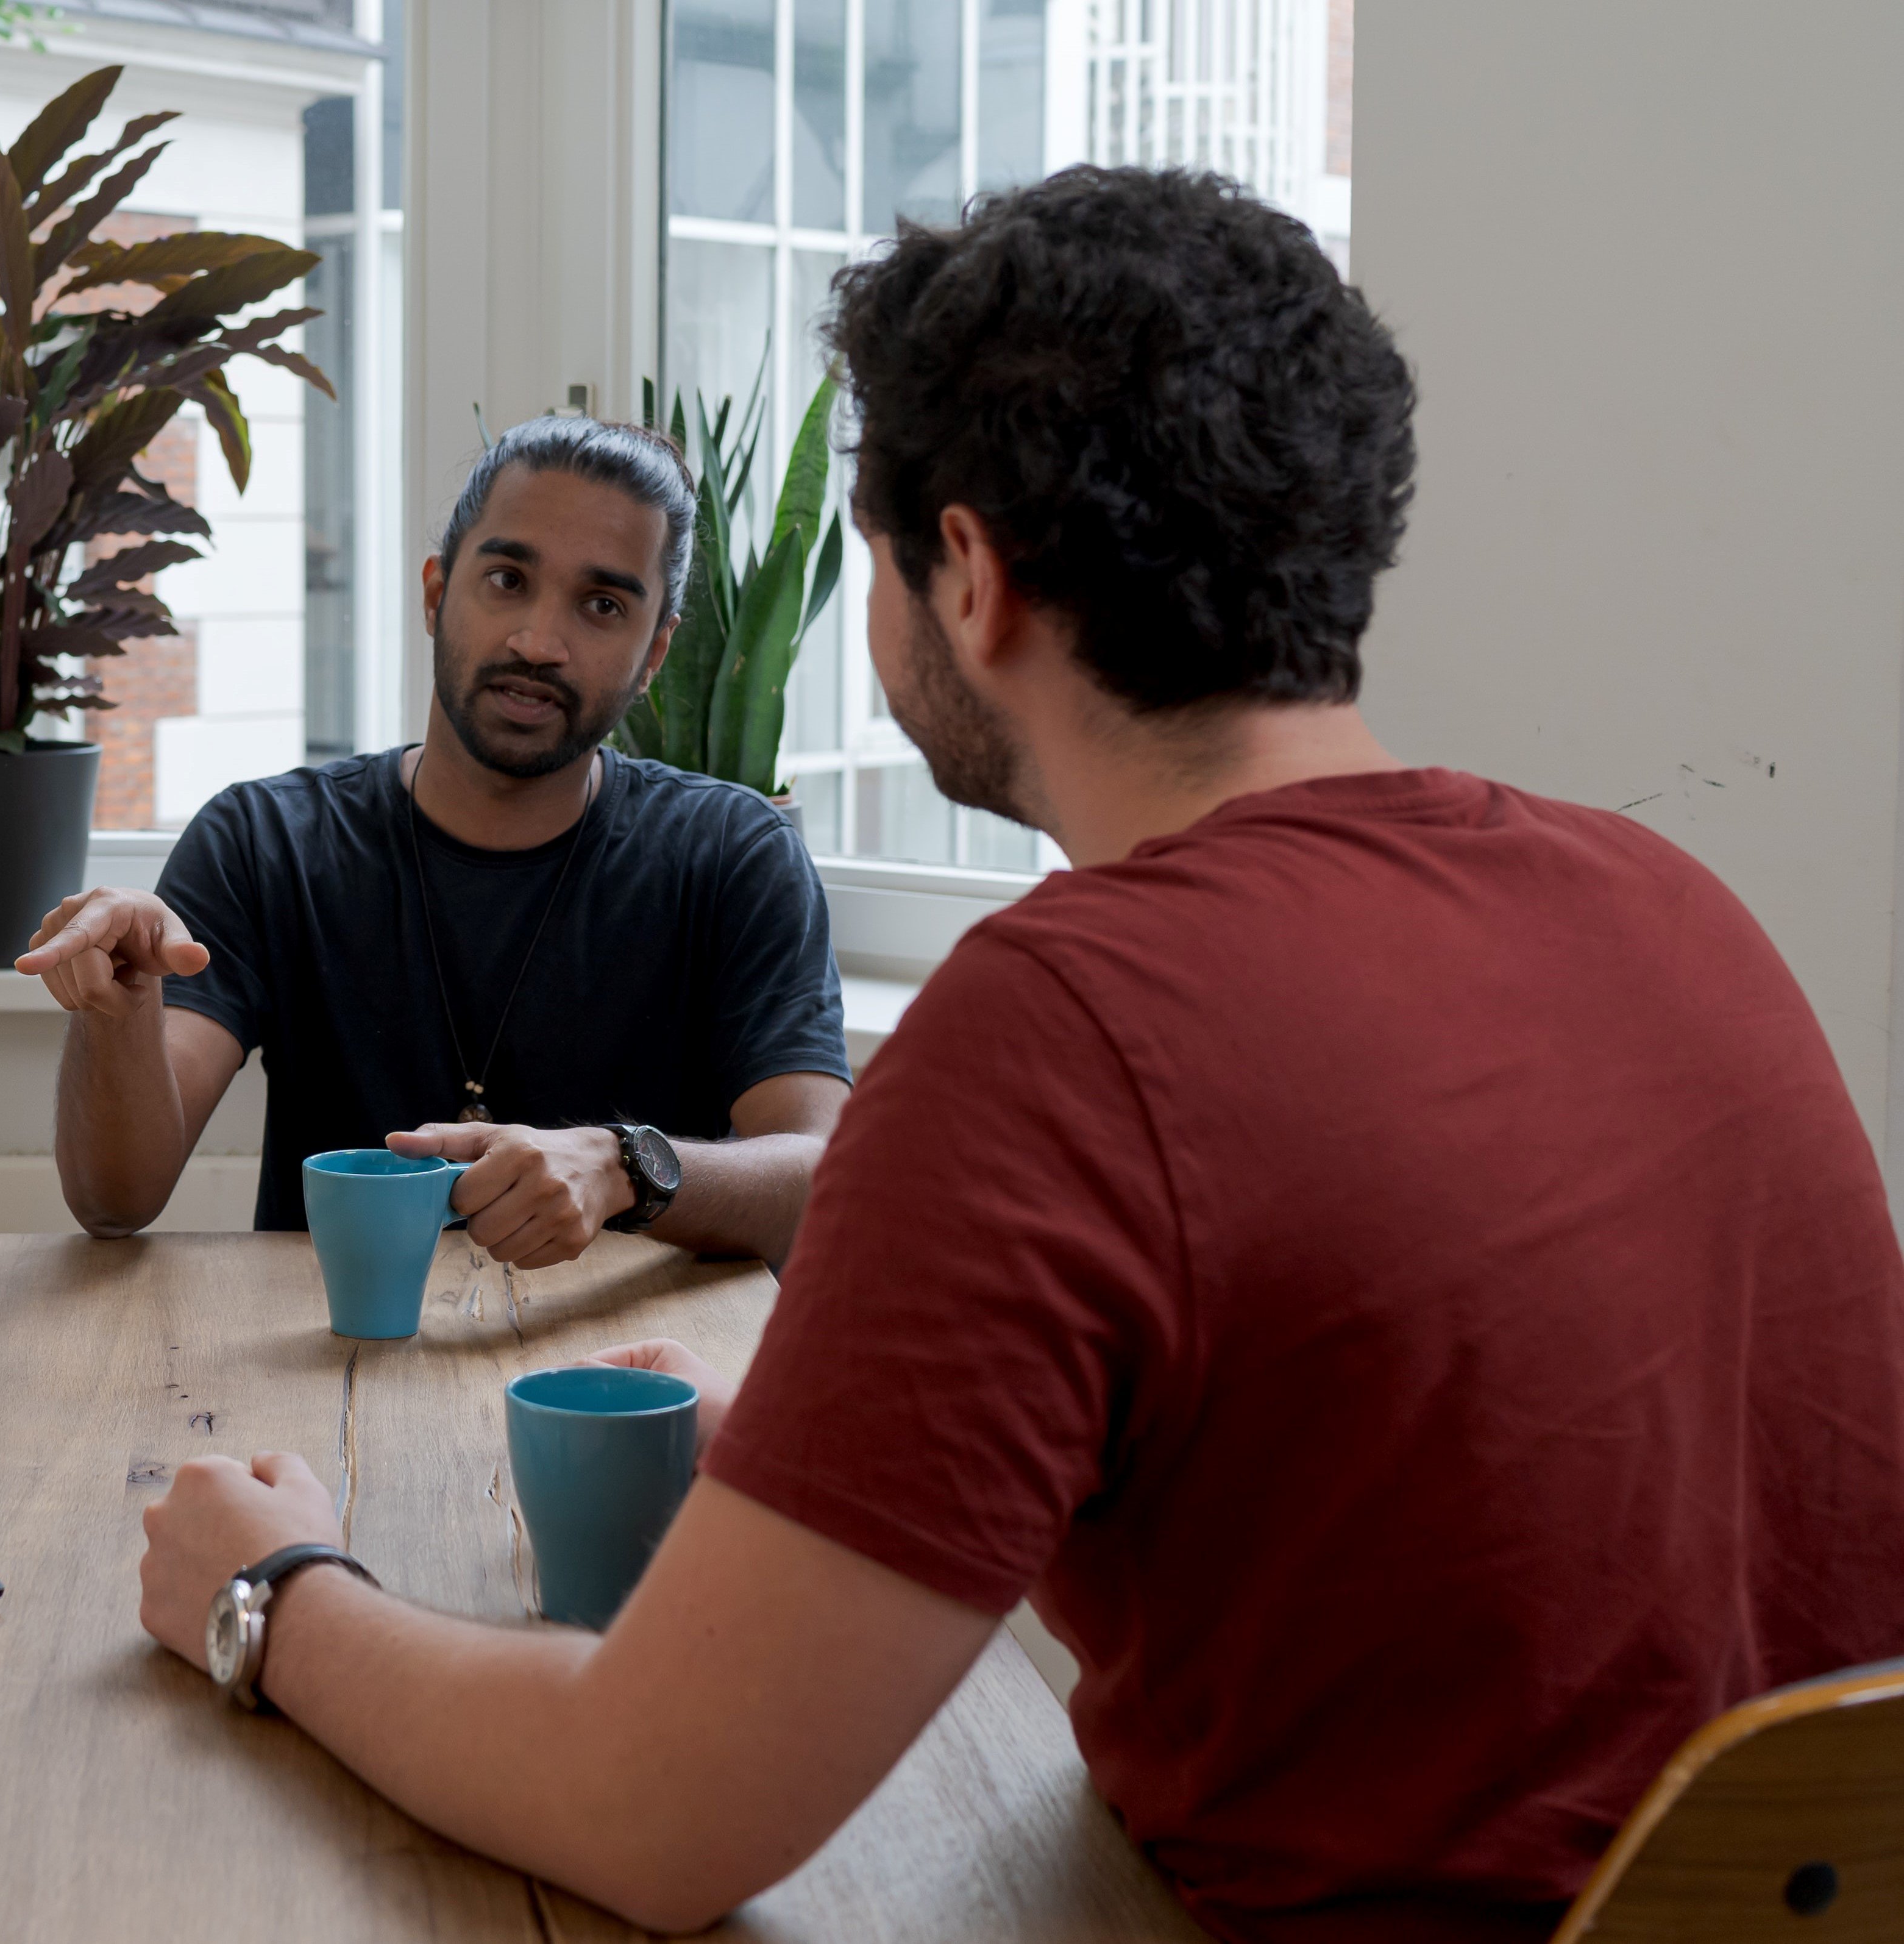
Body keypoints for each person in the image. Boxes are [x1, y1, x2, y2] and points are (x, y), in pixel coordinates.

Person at [129, 167, 1904, 1940]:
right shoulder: (1673, 904)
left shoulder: (1058, 1025)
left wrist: (271, 1593)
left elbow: (647, 1813)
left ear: (960, 576)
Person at [20, 416, 850, 1269]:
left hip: (622, 1383)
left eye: (601, 605)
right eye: (505, 579)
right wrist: (118, 1019)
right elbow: (113, 1201)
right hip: (332, 1376)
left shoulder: (732, 854)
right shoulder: (264, 843)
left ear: (653, 655)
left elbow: (820, 1180)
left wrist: (624, 1167)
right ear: (435, 592)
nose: (537, 641)